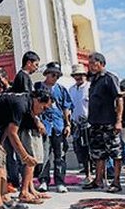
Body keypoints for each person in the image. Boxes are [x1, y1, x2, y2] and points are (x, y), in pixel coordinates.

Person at [84, 52, 124, 193]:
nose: (91, 66)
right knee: (98, 153)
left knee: (115, 153)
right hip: (95, 123)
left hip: (109, 122)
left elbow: (119, 99)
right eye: (89, 64)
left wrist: (118, 121)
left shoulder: (109, 78)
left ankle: (116, 182)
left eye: (93, 63)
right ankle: (98, 180)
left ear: (101, 63)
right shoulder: (94, 80)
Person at [36, 62, 73, 193]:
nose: (55, 77)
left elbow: (66, 108)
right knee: (44, 155)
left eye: (57, 75)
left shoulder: (61, 89)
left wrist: (68, 124)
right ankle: (44, 180)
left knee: (60, 155)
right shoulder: (38, 87)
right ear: (47, 74)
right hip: (44, 125)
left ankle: (60, 181)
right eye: (53, 74)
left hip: (58, 126)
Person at [8, 51, 42, 191]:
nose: (36, 68)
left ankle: (30, 187)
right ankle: (26, 189)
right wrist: (36, 121)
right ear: (28, 63)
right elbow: (28, 103)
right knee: (30, 157)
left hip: (25, 121)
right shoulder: (23, 77)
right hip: (25, 124)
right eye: (36, 64)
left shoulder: (23, 77)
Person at [68, 64, 93, 185]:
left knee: (91, 149)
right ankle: (87, 172)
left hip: (89, 123)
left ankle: (94, 174)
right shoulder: (71, 89)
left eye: (81, 75)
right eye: (76, 75)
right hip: (76, 123)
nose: (78, 77)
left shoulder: (90, 87)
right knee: (80, 149)